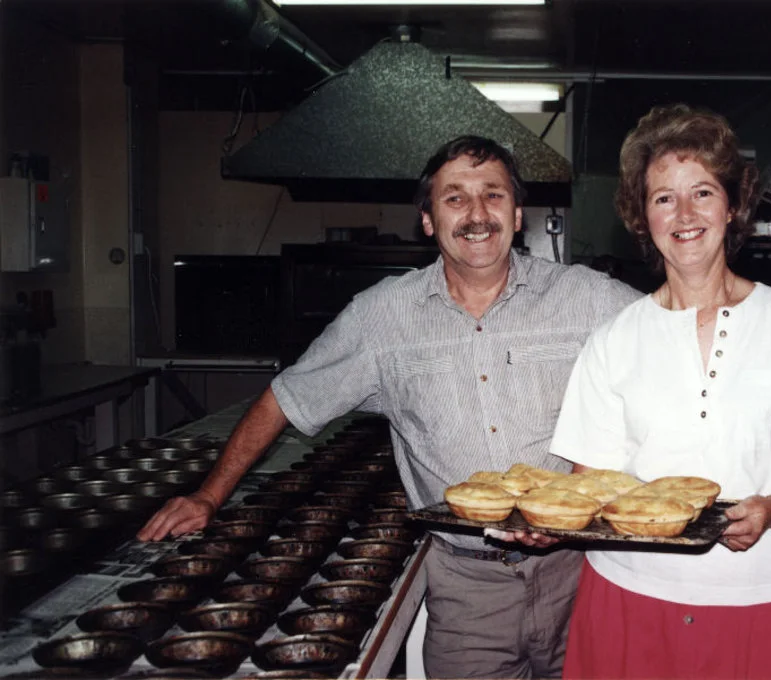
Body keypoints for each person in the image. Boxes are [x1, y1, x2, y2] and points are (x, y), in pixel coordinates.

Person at [137, 135, 642, 679]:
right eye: (454, 198)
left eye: (493, 195)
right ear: (427, 220)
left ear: (518, 215)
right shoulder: (380, 318)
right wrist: (209, 495)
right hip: (467, 589)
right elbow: (288, 396)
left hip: (582, 577)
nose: (477, 214)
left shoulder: (586, 297)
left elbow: (676, 338)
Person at [547, 105, 771, 679]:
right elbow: (590, 484)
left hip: (769, 598)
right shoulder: (613, 340)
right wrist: (544, 520)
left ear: (732, 205)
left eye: (702, 192)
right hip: (633, 597)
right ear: (641, 215)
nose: (685, 213)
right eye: (663, 197)